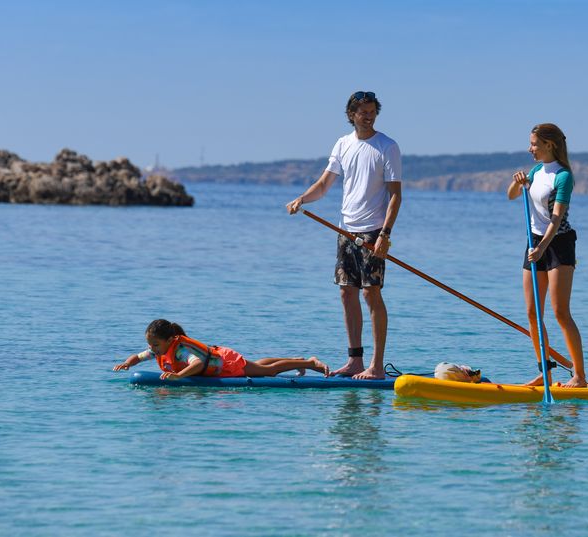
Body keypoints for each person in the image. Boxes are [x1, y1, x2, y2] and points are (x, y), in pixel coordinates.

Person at [285, 91, 402, 380]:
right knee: (346, 292)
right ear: (351, 114)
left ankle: (376, 366)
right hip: (345, 230)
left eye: (373, 111)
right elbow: (324, 185)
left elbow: (395, 196)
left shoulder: (387, 146)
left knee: (370, 293)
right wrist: (302, 199)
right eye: (363, 112)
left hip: (373, 231)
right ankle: (355, 361)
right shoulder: (342, 144)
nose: (369, 116)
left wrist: (385, 235)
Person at [506, 123, 587, 388]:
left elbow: (557, 217)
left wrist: (542, 248)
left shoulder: (563, 176)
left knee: (560, 312)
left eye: (534, 144)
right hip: (533, 242)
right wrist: (517, 184)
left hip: (558, 244)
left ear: (549, 145)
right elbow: (510, 196)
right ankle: (546, 373)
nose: (530, 148)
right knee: (532, 313)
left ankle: (580, 376)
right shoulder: (536, 171)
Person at [113, 319, 330, 380]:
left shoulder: (180, 351)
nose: (152, 349)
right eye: (150, 345)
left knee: (269, 372)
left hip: (225, 363)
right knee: (257, 365)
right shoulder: (161, 349)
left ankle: (308, 363)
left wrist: (178, 376)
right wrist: (128, 363)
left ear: (169, 340)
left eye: (155, 345)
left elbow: (196, 363)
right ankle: (297, 358)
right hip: (221, 359)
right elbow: (139, 357)